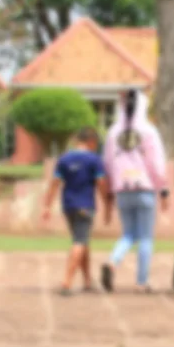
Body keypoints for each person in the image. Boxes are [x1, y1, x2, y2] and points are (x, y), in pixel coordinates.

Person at [101, 89, 169, 293]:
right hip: (144, 188)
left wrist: (112, 188)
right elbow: (156, 163)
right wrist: (163, 189)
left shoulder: (113, 132)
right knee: (146, 237)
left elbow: (107, 162)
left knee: (129, 234)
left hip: (122, 189)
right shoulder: (149, 131)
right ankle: (141, 281)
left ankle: (113, 262)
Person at [42, 127, 110, 296]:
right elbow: (101, 183)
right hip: (85, 206)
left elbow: (54, 183)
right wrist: (107, 203)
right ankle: (67, 281)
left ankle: (87, 280)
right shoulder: (94, 160)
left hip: (68, 206)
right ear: (92, 142)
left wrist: (47, 206)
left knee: (82, 240)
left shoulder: (64, 159)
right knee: (80, 241)